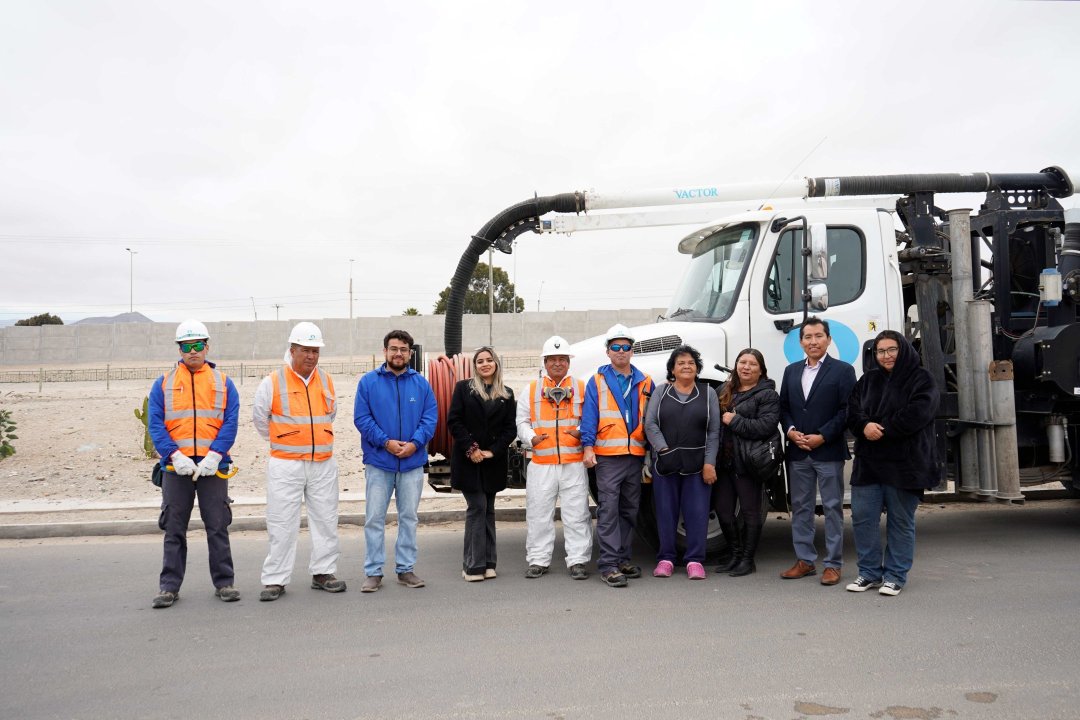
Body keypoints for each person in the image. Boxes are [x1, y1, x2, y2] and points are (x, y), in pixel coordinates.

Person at [148, 319, 240, 609]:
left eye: (198, 345)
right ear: (179, 349)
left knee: (217, 525)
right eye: (186, 346)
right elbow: (156, 424)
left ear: (206, 347)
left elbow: (230, 421)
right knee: (174, 528)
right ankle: (169, 587)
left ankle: (224, 583)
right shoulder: (163, 384)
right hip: (176, 469)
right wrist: (174, 455)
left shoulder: (223, 383)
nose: (193, 351)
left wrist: (216, 455)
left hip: (213, 467)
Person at [252, 321, 345, 601]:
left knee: (326, 519)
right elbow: (260, 420)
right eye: (305, 350)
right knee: (282, 522)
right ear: (292, 350)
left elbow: (330, 415)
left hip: (322, 463)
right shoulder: (272, 382)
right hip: (286, 463)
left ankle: (323, 572)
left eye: (315, 351)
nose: (311, 356)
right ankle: (275, 579)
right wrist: (286, 440)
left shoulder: (326, 380)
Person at [845, 330, 939, 596]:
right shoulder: (867, 380)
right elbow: (852, 410)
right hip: (869, 463)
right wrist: (864, 426)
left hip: (906, 463)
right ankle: (869, 573)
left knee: (900, 521)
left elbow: (919, 413)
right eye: (880, 351)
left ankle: (895, 576)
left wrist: (882, 429)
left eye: (891, 350)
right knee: (863, 518)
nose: (886, 356)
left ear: (903, 350)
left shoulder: (922, 379)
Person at [354, 329, 438, 592]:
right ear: (385, 351)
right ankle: (373, 572)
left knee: (409, 517)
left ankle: (405, 569)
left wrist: (414, 444)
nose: (398, 353)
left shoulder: (421, 385)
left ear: (410, 354)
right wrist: (386, 442)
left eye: (403, 349)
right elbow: (362, 419)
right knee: (374, 518)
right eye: (394, 349)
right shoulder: (368, 383)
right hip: (379, 463)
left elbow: (430, 418)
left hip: (412, 464)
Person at [778, 317, 857, 586]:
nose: (813, 341)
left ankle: (833, 564)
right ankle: (805, 561)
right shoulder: (791, 371)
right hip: (798, 451)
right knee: (801, 507)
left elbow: (847, 410)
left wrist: (823, 436)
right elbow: (784, 407)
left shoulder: (843, 371)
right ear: (801, 342)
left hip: (828, 450)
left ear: (828, 339)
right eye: (808, 337)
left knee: (833, 507)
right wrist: (790, 431)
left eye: (818, 336)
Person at [580, 323, 654, 588]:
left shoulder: (646, 381)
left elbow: (651, 420)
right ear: (608, 351)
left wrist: (649, 454)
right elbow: (589, 416)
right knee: (609, 510)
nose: (621, 351)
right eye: (616, 347)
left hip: (635, 455)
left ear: (632, 351)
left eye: (625, 347)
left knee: (630, 510)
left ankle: (622, 559)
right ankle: (609, 565)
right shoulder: (597, 381)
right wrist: (588, 447)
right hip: (608, 457)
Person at [516, 335, 593, 581]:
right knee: (538, 514)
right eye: (552, 359)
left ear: (568, 362)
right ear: (545, 362)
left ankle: (578, 560)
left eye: (562, 359)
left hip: (573, 462)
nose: (557, 363)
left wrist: (580, 432)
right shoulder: (531, 390)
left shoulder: (582, 388)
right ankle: (538, 560)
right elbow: (521, 421)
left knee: (577, 513)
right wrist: (531, 438)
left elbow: (591, 418)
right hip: (542, 463)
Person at [643, 345, 720, 580]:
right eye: (681, 363)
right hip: (665, 464)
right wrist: (663, 450)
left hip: (697, 465)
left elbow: (713, 431)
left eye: (691, 363)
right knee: (665, 512)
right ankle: (666, 559)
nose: (687, 366)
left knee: (697, 513)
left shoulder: (708, 393)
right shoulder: (661, 392)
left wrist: (709, 463)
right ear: (672, 369)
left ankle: (695, 560)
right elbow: (650, 424)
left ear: (697, 368)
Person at [447, 347, 517, 582]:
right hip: (468, 460)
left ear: (496, 364)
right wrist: (472, 449)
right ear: (474, 366)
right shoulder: (463, 389)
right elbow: (454, 421)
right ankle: (472, 566)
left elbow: (510, 429)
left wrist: (493, 451)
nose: (485, 364)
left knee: (488, 510)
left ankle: (489, 563)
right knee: (477, 507)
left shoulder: (507, 394)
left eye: (489, 360)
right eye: (480, 361)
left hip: (492, 462)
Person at [713, 348, 780, 577]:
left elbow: (765, 426)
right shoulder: (724, 389)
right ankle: (735, 554)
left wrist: (735, 421)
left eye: (752, 364)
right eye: (742, 362)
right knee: (723, 510)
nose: (746, 367)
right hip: (724, 462)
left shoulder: (768, 395)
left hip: (748, 463)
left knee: (751, 512)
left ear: (761, 370)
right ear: (736, 365)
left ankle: (748, 560)